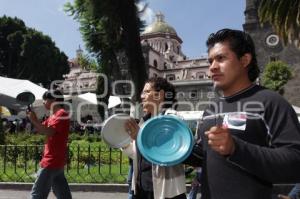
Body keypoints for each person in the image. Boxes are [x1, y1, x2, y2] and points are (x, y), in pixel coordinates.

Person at [190, 29, 300, 199]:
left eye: (221, 58)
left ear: (244, 60)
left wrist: (236, 148)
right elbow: (203, 155)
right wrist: (172, 146)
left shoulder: (270, 101)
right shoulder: (211, 109)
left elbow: (295, 162)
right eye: (210, 60)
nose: (212, 67)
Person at [122, 77, 187, 199]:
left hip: (167, 193)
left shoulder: (173, 119)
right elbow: (137, 154)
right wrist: (123, 142)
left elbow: (170, 151)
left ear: (160, 95)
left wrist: (140, 137)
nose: (142, 96)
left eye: (146, 92)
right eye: (142, 92)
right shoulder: (143, 122)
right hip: (142, 190)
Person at [27, 90, 72, 199]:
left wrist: (34, 120)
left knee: (37, 195)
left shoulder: (61, 114)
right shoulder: (53, 116)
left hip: (51, 162)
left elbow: (50, 132)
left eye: (45, 99)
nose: (43, 102)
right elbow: (41, 130)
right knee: (64, 196)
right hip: (56, 161)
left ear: (54, 100)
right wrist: (33, 118)